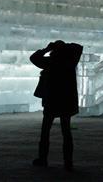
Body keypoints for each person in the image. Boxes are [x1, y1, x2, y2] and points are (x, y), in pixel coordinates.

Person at [30, 40, 83, 171]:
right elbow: (77, 47)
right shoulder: (70, 62)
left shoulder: (51, 62)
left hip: (52, 100)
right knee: (66, 132)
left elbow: (34, 58)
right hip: (66, 101)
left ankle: (43, 159)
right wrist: (63, 46)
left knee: (45, 131)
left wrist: (47, 48)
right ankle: (68, 162)